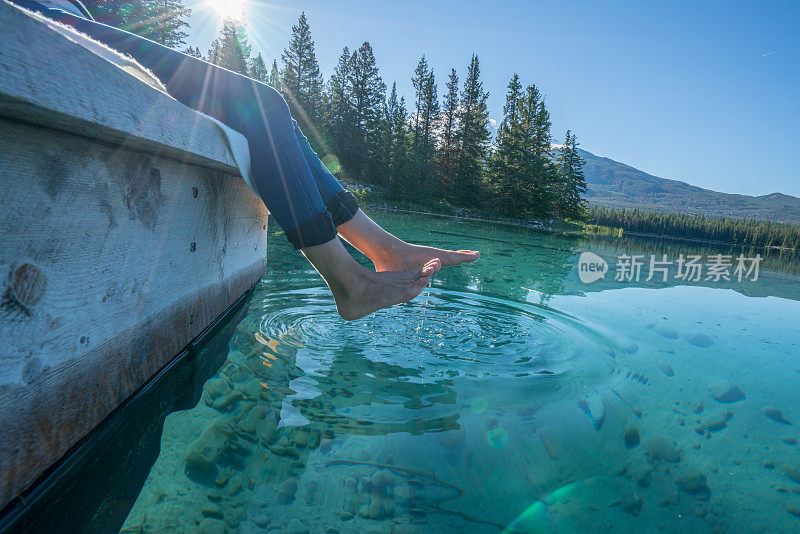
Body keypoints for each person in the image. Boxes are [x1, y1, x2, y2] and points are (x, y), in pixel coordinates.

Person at [11, 0, 479, 320]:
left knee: (277, 118)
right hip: (38, 16)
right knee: (266, 106)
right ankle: (350, 283)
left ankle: (382, 250)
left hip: (59, 13)